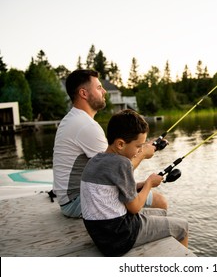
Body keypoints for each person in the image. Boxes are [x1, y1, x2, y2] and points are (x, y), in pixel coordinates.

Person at [52, 69, 167, 218]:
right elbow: (116, 170)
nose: (104, 91)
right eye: (99, 87)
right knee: (160, 201)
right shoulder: (87, 126)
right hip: (76, 202)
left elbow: (113, 160)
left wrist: (142, 146)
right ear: (83, 93)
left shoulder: (73, 119)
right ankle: (154, 234)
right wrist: (143, 153)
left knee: (142, 191)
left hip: (71, 198)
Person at [80, 109, 188, 256]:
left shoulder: (95, 160)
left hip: (102, 234)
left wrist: (139, 185)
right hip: (120, 237)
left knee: (162, 213)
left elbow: (114, 190)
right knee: (182, 227)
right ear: (120, 144)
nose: (140, 151)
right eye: (138, 146)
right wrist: (149, 183)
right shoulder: (122, 163)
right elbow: (135, 208)